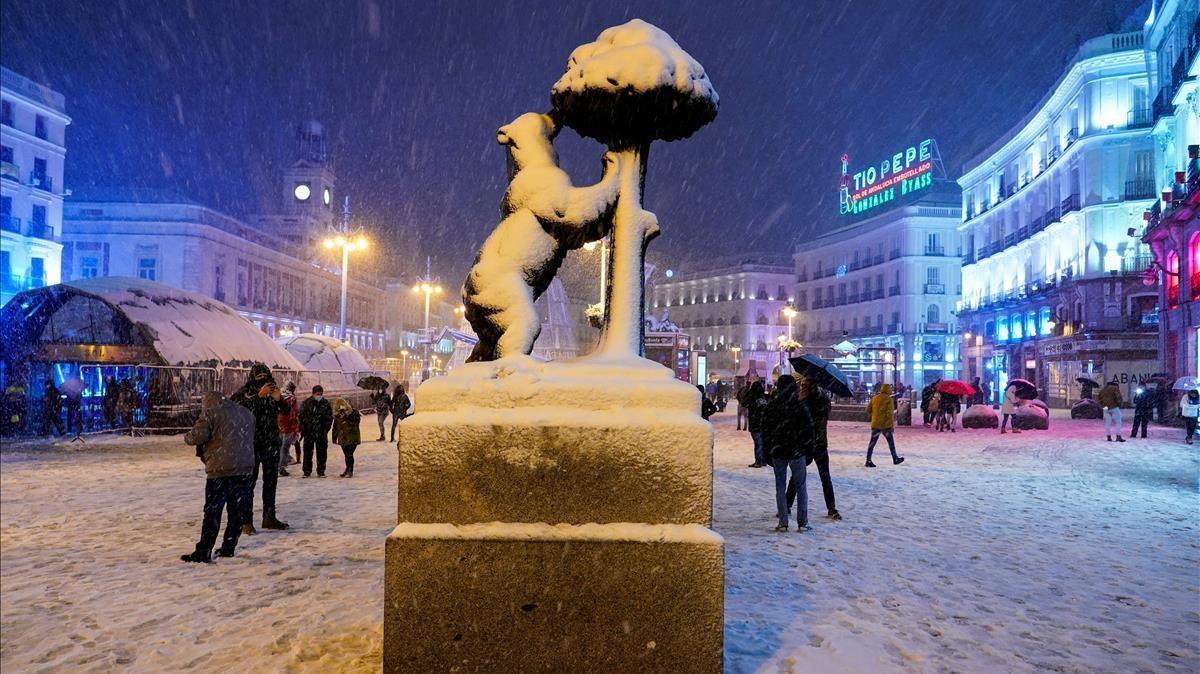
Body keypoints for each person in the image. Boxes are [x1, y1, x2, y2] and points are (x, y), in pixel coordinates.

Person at [181, 391, 255, 563]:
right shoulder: (246, 412)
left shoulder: (211, 413)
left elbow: (197, 436)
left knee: (213, 512)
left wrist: (187, 437)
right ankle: (229, 547)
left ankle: (204, 550)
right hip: (244, 468)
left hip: (221, 469)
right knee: (236, 511)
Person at [230, 363, 290, 533]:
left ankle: (269, 517)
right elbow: (238, 409)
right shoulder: (246, 393)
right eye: (259, 378)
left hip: (270, 443)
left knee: (271, 482)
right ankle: (246, 521)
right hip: (252, 443)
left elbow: (285, 411)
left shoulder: (273, 392)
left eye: (266, 377)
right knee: (248, 483)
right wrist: (258, 396)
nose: (263, 381)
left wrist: (278, 399)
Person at [762, 374, 814, 532]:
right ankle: (802, 521)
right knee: (801, 487)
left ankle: (783, 521)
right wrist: (806, 449)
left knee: (780, 486)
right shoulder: (799, 406)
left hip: (778, 451)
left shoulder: (772, 406)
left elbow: (766, 429)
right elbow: (809, 429)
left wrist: (768, 449)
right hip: (796, 451)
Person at [790, 378, 839, 520]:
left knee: (797, 476)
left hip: (806, 442)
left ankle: (787, 504)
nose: (802, 385)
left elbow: (797, 417)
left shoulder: (804, 399)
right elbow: (825, 413)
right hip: (820, 442)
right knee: (825, 478)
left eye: (804, 383)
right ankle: (831, 508)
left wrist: (801, 399)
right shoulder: (823, 398)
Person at [299, 385, 333, 477]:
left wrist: (325, 429)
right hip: (309, 432)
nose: (319, 396)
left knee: (322, 452)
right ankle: (307, 471)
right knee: (307, 452)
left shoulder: (325, 403)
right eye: (318, 394)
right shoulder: (307, 403)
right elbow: (301, 416)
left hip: (321, 432)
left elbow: (329, 418)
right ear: (313, 393)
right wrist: (304, 428)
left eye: (321, 394)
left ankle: (321, 471)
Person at [865, 383, 903, 467]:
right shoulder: (889, 400)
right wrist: (892, 425)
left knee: (872, 443)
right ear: (888, 390)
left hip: (876, 424)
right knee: (891, 443)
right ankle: (895, 458)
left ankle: (868, 460)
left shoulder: (875, 398)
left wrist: (875, 415)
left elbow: (868, 409)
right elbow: (890, 414)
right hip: (885, 425)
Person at [331, 398, 361, 477]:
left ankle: (350, 470)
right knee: (346, 454)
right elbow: (335, 426)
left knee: (349, 454)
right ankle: (348, 469)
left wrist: (347, 415)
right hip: (343, 437)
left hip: (352, 436)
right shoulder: (337, 415)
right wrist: (334, 437)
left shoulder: (353, 412)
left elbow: (357, 421)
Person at [277, 382, 300, 476]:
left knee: (279, 446)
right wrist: (295, 425)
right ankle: (281, 467)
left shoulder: (279, 396)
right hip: (288, 425)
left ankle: (278, 464)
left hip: (279, 424)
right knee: (285, 448)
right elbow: (293, 413)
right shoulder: (291, 399)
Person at [744, 380, 768, 468]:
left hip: (755, 423)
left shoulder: (751, 398)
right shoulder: (765, 397)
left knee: (758, 443)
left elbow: (744, 403)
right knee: (763, 443)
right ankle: (763, 460)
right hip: (764, 424)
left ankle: (759, 461)